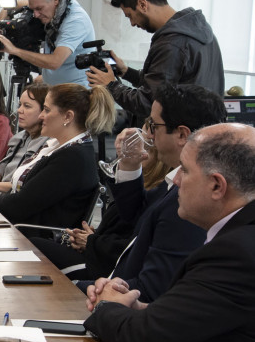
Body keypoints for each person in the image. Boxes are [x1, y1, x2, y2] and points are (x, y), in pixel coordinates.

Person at [84, 123, 255, 342]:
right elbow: (205, 317)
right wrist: (137, 307)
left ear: (216, 185)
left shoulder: (237, 253)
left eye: (185, 171)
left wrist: (107, 307)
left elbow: (141, 338)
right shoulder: (238, 237)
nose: (175, 181)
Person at [77, 84, 226, 302]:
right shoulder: (176, 181)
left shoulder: (192, 200)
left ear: (182, 134)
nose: (148, 133)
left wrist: (84, 288)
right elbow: (136, 216)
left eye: (154, 126)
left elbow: (152, 288)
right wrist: (129, 164)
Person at [86, 0, 225, 125]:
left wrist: (111, 84)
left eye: (130, 16)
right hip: (201, 132)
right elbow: (167, 85)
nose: (132, 23)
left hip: (180, 136)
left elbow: (147, 104)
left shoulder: (172, 44)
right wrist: (126, 72)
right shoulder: (199, 31)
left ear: (142, 4)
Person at [30, 142, 167, 281]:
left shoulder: (155, 195)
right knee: (33, 245)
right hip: (98, 251)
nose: (133, 150)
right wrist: (90, 236)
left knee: (34, 247)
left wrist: (92, 241)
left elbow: (132, 245)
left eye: (144, 147)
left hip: (106, 267)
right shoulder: (134, 188)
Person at [0, 83, 116, 227]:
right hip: (24, 228)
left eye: (47, 110)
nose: (41, 116)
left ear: (68, 116)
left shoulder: (72, 158)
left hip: (32, 237)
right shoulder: (61, 147)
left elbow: (20, 206)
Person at [0, 0, 95, 86]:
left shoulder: (76, 21)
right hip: (53, 87)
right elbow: (10, 7)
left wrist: (15, 50)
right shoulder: (55, 4)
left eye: (39, 9)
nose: (35, 15)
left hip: (75, 90)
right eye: (33, 10)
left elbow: (54, 62)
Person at [0, 82, 49, 193]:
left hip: (13, 196)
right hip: (0, 191)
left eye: (27, 106)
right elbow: (2, 168)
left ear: (44, 111)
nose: (19, 110)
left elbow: (24, 185)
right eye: (20, 105)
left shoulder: (48, 144)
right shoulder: (21, 137)